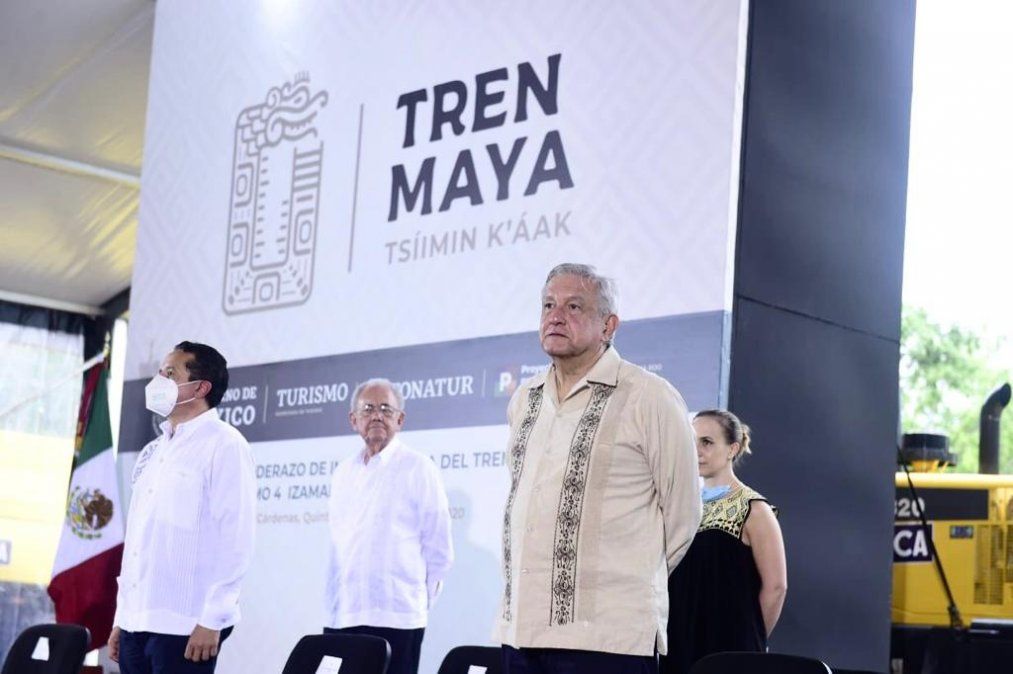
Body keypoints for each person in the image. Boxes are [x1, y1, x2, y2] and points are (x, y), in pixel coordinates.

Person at [494, 263, 701, 674]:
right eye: (548, 305)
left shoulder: (650, 397)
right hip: (520, 633)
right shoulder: (525, 399)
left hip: (608, 642)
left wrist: (628, 582)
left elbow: (683, 516)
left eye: (574, 306)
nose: (555, 315)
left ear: (608, 326)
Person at [108, 341, 256, 673]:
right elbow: (138, 543)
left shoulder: (225, 445)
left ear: (201, 387)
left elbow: (237, 538)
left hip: (186, 624)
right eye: (160, 372)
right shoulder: (154, 450)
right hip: (136, 622)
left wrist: (213, 619)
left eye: (170, 373)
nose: (158, 381)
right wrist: (122, 617)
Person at [324, 378, 453, 674]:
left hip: (398, 616)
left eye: (385, 408)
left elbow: (439, 546)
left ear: (400, 419)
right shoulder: (343, 472)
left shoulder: (419, 468)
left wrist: (415, 600)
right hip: (344, 614)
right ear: (353, 419)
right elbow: (338, 544)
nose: (377, 416)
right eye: (368, 409)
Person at [662, 410, 787, 674]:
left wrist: (747, 642)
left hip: (729, 649)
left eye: (706, 442)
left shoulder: (754, 509)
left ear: (733, 448)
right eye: (692, 441)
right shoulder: (683, 507)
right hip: (678, 645)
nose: (697, 451)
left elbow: (776, 587)